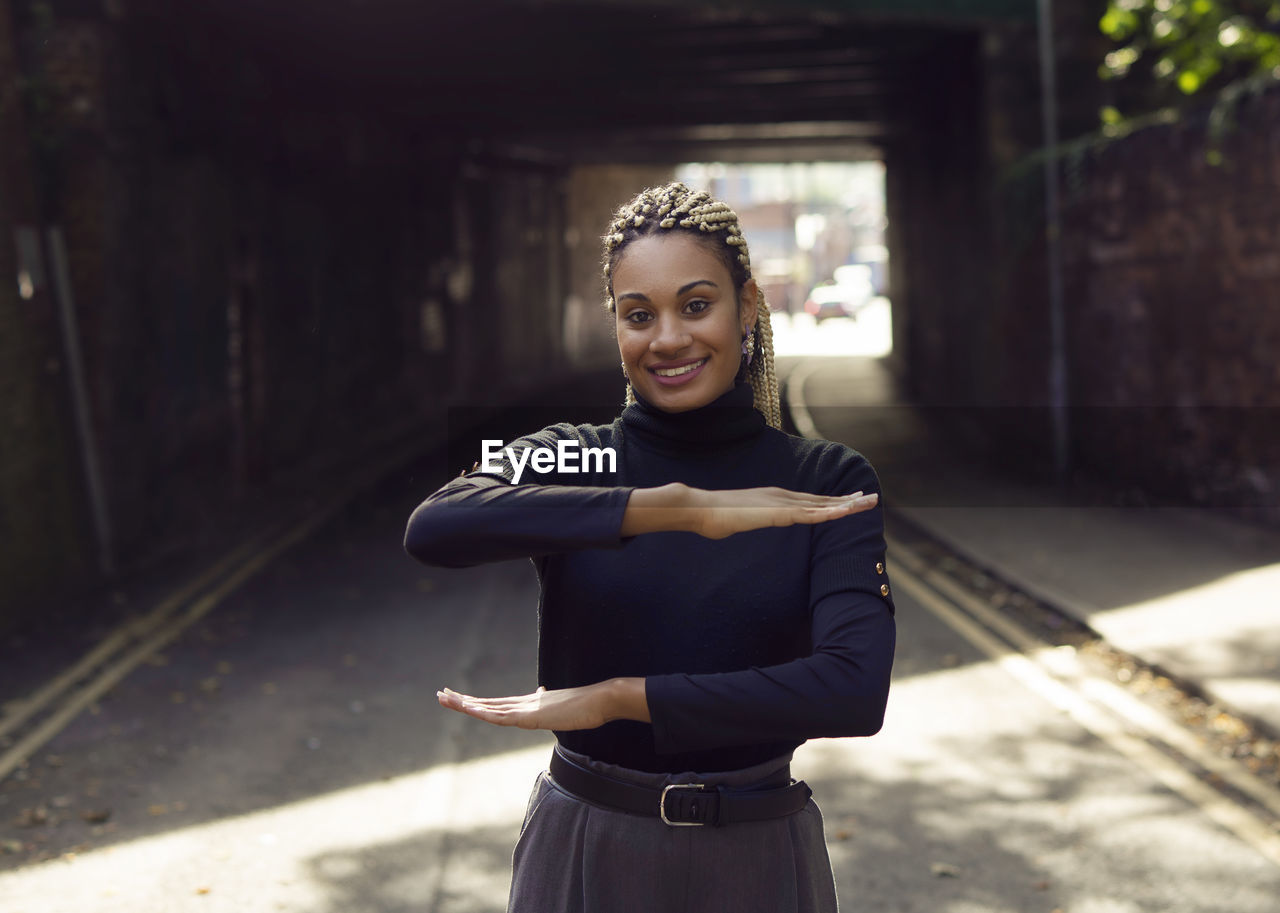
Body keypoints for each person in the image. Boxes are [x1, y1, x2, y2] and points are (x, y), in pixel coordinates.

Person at [404, 181, 896, 913]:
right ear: (618, 326)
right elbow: (437, 524)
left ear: (749, 304)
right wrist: (669, 510)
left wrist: (619, 699)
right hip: (586, 846)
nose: (668, 338)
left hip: (758, 852)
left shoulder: (822, 479)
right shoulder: (579, 458)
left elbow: (853, 688)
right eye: (639, 315)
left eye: (696, 305)